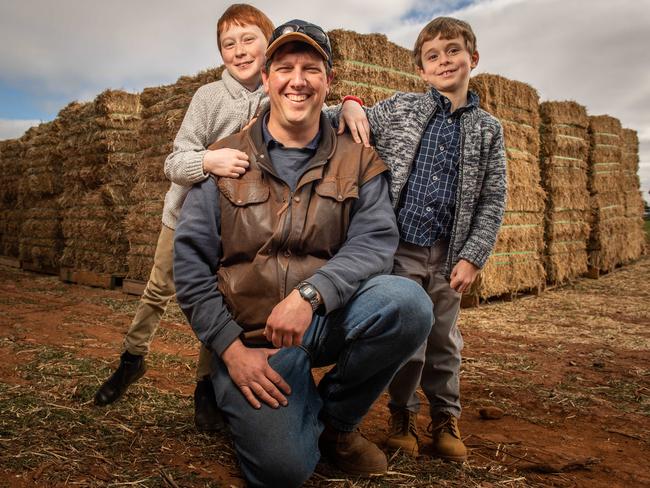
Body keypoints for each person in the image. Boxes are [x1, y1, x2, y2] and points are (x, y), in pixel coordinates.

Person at [173, 19, 433, 487]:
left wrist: (311, 295)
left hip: (321, 321)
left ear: (329, 82)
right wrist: (230, 350)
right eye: (285, 67)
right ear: (268, 79)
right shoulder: (224, 158)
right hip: (251, 341)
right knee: (283, 472)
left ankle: (337, 424)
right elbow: (189, 266)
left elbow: (374, 243)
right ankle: (271, 405)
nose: (298, 80)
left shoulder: (359, 158)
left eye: (311, 68)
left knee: (408, 303)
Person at [93, 4, 274, 433]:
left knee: (225, 299)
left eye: (249, 39)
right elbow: (175, 161)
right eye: (229, 44)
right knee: (158, 290)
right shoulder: (209, 97)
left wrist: (355, 104)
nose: (239, 50)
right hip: (186, 218)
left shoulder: (279, 94)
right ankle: (131, 359)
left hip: (240, 224)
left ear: (270, 44)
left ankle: (205, 386)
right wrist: (209, 159)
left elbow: (321, 113)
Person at [338, 16, 507, 461]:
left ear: (473, 58)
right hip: (403, 249)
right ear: (421, 69)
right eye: (432, 56)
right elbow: (345, 118)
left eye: (453, 51)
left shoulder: (489, 130)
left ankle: (445, 419)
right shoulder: (401, 109)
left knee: (445, 340)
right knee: (409, 339)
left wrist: (473, 256)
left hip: (449, 254)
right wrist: (352, 101)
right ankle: (402, 416)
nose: (444, 60)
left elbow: (493, 199)